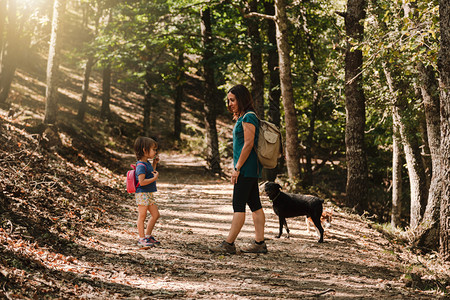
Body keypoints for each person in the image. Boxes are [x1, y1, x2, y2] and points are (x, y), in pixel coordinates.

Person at [210, 84, 267, 254]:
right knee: (255, 205)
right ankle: (259, 243)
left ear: (242, 99)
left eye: (233, 100)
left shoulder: (249, 117)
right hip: (249, 169)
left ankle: (228, 244)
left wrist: (237, 168)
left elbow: (248, 144)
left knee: (238, 205)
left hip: (246, 169)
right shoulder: (244, 117)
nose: (230, 103)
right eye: (228, 100)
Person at [134, 136, 161, 248]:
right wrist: (155, 178)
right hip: (142, 194)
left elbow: (151, 172)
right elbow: (142, 182)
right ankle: (141, 239)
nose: (155, 151)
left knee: (155, 215)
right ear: (145, 150)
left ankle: (148, 236)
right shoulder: (140, 165)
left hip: (148, 194)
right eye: (153, 149)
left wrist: (154, 164)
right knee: (142, 216)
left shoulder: (147, 163)